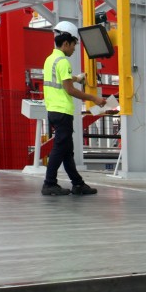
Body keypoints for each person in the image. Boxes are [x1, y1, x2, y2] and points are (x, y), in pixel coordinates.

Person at [41, 20, 105, 196]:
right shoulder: (63, 62)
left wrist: (77, 78)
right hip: (63, 112)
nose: (75, 49)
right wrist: (93, 98)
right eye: (74, 44)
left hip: (53, 110)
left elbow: (64, 81)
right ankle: (49, 183)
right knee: (60, 148)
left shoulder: (50, 60)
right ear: (66, 42)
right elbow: (69, 89)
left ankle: (78, 184)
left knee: (67, 150)